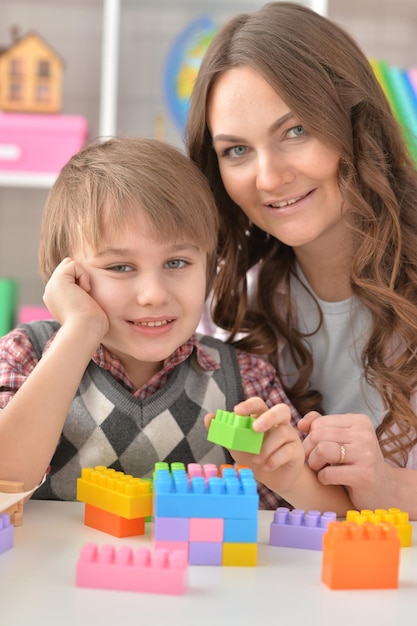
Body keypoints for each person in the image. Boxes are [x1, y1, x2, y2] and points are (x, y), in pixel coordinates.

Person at [0, 136, 350, 512]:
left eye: (177, 263)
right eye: (120, 267)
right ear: (66, 276)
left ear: (207, 266)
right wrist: (80, 331)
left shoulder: (245, 380)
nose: (153, 294)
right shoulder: (27, 355)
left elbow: (338, 516)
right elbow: (6, 484)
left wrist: (290, 478)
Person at [186, 1, 417, 518]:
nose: (268, 178)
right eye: (236, 151)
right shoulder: (232, 309)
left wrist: (393, 489)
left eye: (295, 131)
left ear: (356, 126)